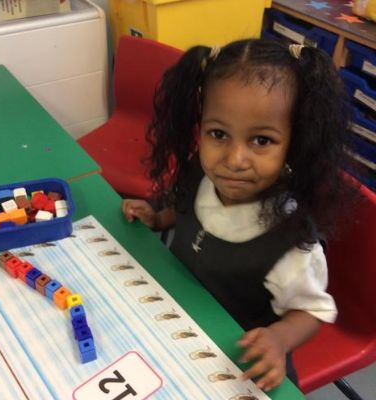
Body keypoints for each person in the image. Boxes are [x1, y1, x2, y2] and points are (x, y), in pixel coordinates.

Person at [122, 38, 355, 392]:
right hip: (176, 327)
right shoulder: (200, 176)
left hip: (237, 365)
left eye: (261, 140)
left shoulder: (291, 241)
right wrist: (157, 219)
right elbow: (187, 212)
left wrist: (279, 339)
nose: (234, 160)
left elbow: (312, 311)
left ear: (294, 142)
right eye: (218, 134)